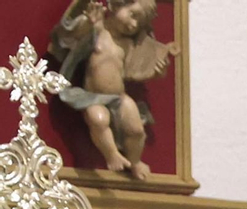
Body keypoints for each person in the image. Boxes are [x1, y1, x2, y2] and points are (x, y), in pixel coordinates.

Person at [50, 0, 178, 181]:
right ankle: (112, 155)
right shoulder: (98, 31)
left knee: (136, 129)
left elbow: (138, 69)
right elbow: (74, 36)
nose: (133, 24)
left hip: (119, 96)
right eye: (133, 15)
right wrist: (88, 22)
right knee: (98, 119)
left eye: (139, 24)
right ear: (116, 5)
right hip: (92, 97)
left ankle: (134, 161)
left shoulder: (128, 44)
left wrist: (158, 70)